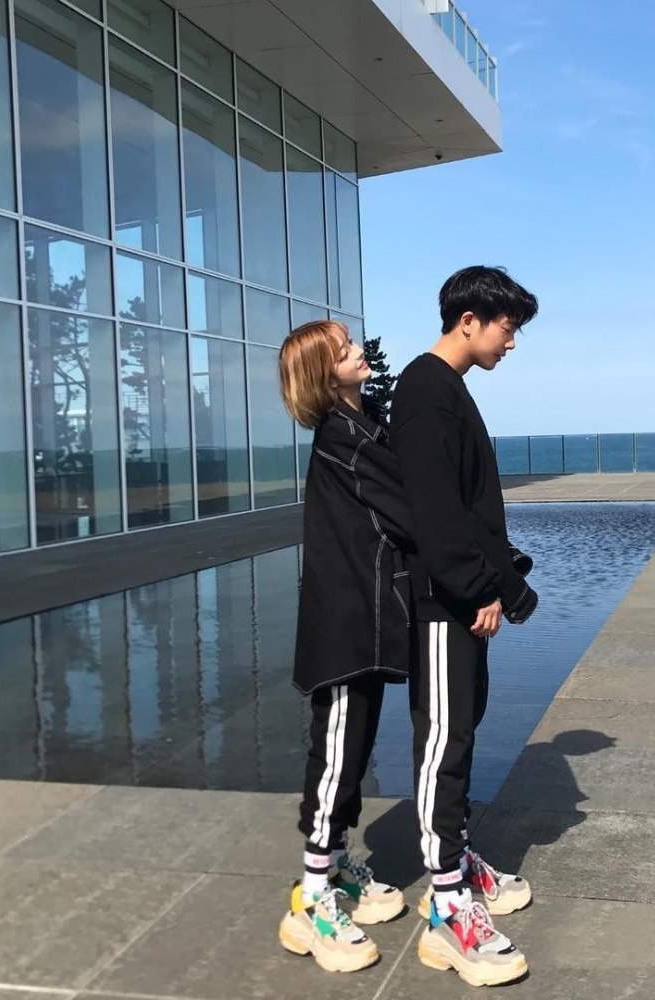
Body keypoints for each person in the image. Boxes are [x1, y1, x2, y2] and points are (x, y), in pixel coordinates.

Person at [389, 265, 541, 987]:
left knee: (463, 729)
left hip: (461, 597)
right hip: (443, 602)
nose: (511, 344)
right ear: (470, 319)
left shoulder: (446, 388)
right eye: (508, 329)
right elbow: (434, 510)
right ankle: (447, 907)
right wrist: (477, 586)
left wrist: (497, 582)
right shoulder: (425, 390)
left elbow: (465, 505)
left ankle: (458, 861)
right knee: (443, 742)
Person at [276, 320, 413, 973]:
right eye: (344, 350)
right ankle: (312, 899)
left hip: (365, 620)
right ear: (324, 374)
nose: (358, 350)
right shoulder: (342, 437)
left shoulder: (360, 426)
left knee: (351, 751)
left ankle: (335, 868)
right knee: (335, 756)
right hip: (344, 627)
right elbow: (407, 509)